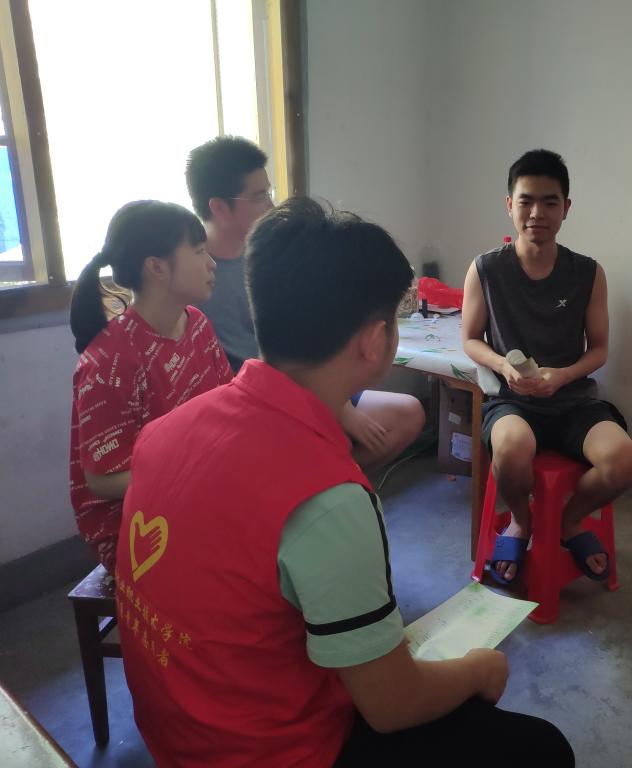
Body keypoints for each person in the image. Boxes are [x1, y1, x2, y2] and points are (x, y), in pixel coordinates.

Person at [116, 199, 574, 767]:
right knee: (542, 749)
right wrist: (480, 668)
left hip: (172, 740)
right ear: (375, 339)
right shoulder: (328, 500)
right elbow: (391, 704)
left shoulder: (163, 433)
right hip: (272, 755)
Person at [186, 136, 424, 469]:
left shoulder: (277, 259)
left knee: (407, 415)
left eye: (269, 193)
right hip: (258, 401)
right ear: (219, 208)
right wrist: (338, 412)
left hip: (315, 383)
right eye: (259, 196)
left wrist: (342, 407)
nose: (271, 206)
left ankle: (328, 479)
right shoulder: (195, 279)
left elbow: (310, 345)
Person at [462, 149, 632, 585]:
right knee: (511, 448)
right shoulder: (486, 269)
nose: (537, 213)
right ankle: (521, 521)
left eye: (550, 202)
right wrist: (503, 366)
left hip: (573, 400)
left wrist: (563, 376)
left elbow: (599, 349)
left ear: (566, 208)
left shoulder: (588, 273)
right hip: (513, 401)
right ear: (510, 205)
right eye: (526, 201)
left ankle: (567, 521)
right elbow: (470, 339)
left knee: (623, 460)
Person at [68, 200, 231, 572]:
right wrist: (192, 477)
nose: (211, 263)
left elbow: (227, 404)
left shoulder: (198, 324)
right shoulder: (109, 362)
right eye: (198, 251)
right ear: (156, 267)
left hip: (197, 485)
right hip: (134, 521)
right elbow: (102, 480)